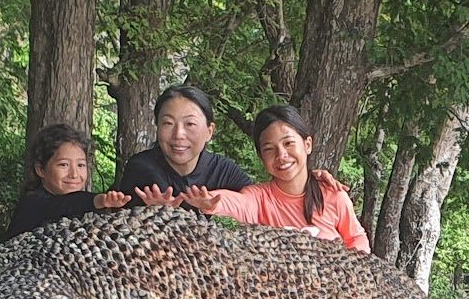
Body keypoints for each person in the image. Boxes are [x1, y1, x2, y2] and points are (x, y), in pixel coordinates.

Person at [181, 105, 370, 252]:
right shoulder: (259, 198)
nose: (281, 155)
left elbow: (356, 239)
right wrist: (211, 203)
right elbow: (238, 202)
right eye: (269, 149)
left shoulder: (332, 196)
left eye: (288, 143)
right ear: (261, 156)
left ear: (308, 144)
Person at [114, 85, 254, 208]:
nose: (179, 134)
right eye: (168, 123)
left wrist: (218, 202)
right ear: (157, 127)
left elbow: (254, 201)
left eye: (190, 124)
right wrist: (154, 211)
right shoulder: (141, 167)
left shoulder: (222, 170)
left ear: (209, 131)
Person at [2, 124, 130, 241]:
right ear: (40, 169)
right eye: (63, 165)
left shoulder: (84, 208)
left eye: (81, 165)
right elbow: (62, 205)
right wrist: (97, 200)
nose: (74, 174)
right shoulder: (32, 202)